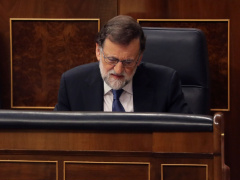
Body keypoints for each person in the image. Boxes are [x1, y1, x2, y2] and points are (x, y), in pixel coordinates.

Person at [54, 15, 192, 113]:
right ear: (98, 51)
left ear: (139, 58)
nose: (119, 70)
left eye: (128, 62)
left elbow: (188, 135)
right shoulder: (72, 84)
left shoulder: (165, 83)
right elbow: (58, 135)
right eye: (112, 60)